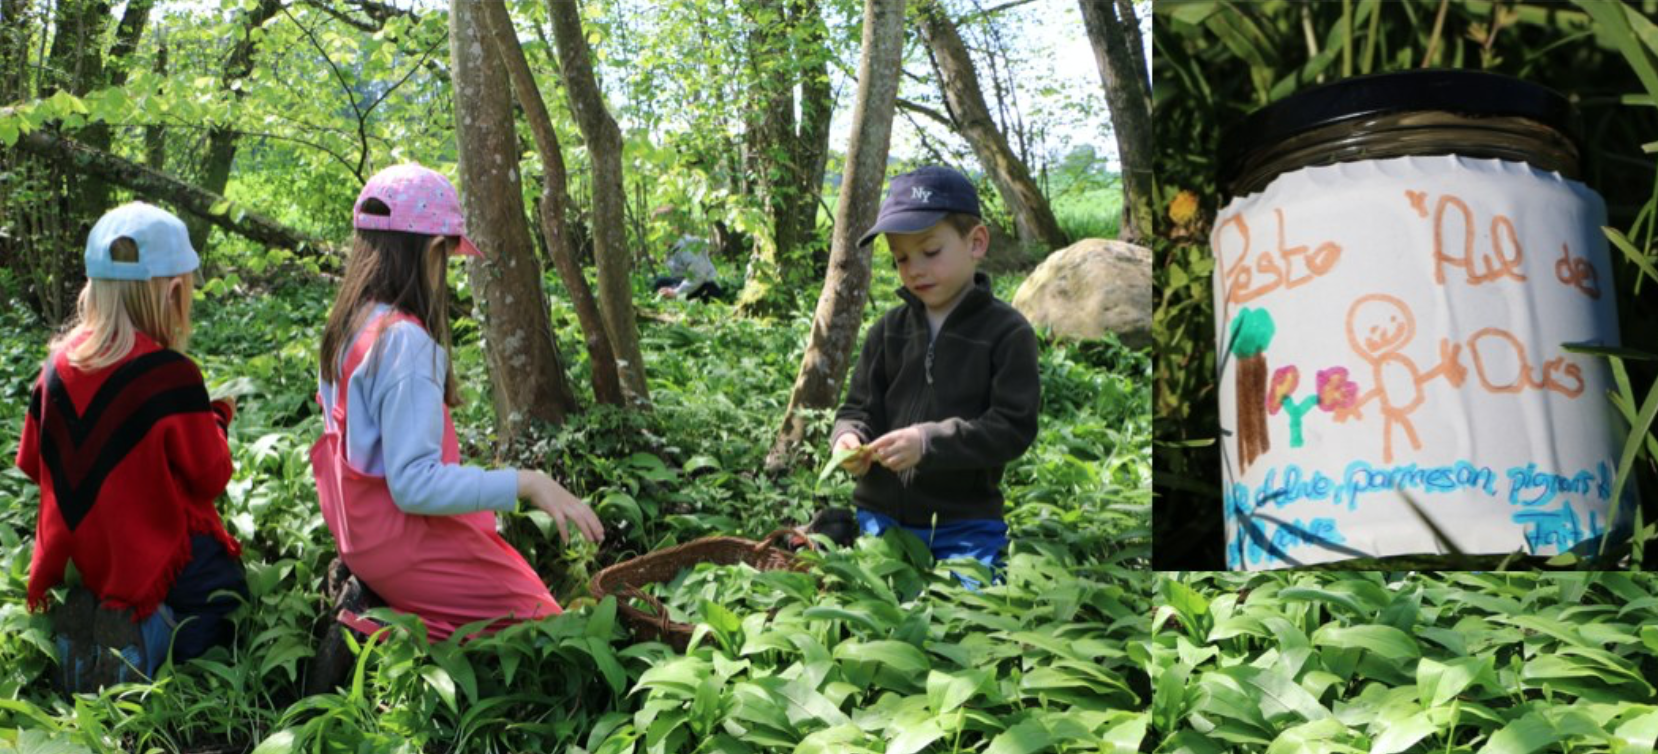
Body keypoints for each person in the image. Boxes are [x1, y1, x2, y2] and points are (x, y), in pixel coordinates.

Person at [311, 163, 603, 645]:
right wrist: (527, 482)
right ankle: (377, 629)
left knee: (512, 586)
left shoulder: (352, 324)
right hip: (402, 542)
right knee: (550, 630)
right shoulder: (403, 343)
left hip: (359, 537)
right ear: (431, 251)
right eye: (448, 255)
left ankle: (383, 614)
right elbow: (414, 486)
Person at [18, 202, 245, 693]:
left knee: (109, 561)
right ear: (172, 293)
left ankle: (84, 624)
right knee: (222, 592)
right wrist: (217, 421)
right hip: (141, 553)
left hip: (76, 555)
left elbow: (32, 463)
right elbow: (211, 476)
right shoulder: (170, 376)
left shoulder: (54, 369)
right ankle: (153, 643)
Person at [829, 166, 1041, 579]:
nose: (915, 269)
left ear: (975, 242)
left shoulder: (1008, 332)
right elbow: (858, 408)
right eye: (901, 258)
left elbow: (1013, 428)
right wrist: (848, 438)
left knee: (972, 607)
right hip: (881, 516)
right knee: (864, 594)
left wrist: (928, 443)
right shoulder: (888, 330)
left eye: (930, 252)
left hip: (965, 523)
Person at [652, 235, 722, 301]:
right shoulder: (672, 249)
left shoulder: (688, 246)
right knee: (660, 283)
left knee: (664, 288)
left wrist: (676, 292)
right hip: (691, 284)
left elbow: (699, 275)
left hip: (707, 286)